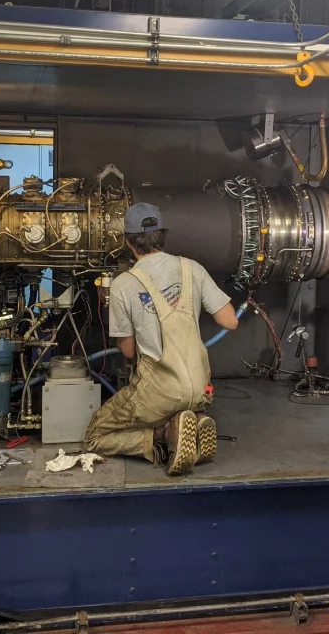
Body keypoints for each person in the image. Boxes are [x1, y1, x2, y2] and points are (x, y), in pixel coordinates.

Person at [84, 202, 240, 475]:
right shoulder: (193, 269)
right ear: (162, 235)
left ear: (129, 242)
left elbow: (129, 351)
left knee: (95, 436)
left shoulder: (124, 284)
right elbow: (230, 320)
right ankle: (194, 416)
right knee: (185, 399)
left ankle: (163, 435)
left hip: (159, 393)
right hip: (201, 389)